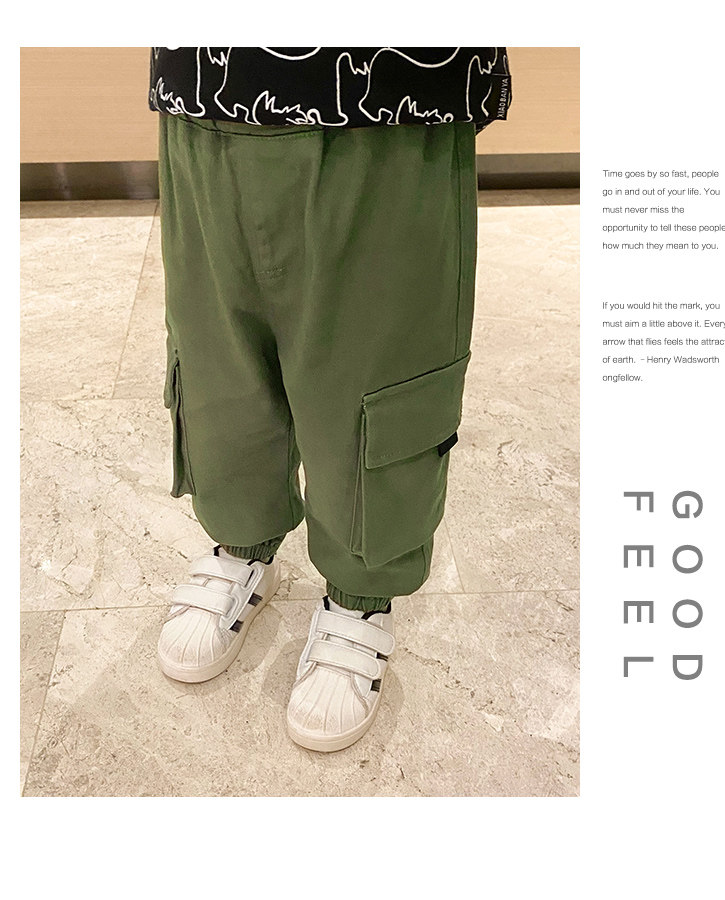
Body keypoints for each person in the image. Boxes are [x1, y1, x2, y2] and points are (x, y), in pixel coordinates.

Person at [149, 47, 512, 752]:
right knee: (219, 353)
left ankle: (360, 596)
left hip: (389, 89)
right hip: (205, 77)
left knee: (376, 370)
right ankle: (240, 540)